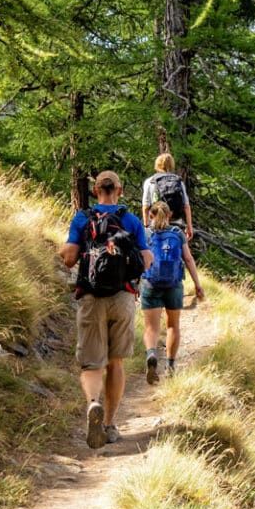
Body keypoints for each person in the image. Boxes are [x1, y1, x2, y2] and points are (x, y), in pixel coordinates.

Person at [59, 171, 153, 449]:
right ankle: (110, 424)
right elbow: (147, 260)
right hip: (123, 297)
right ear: (119, 190)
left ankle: (92, 404)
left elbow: (69, 258)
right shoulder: (131, 221)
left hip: (91, 296)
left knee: (91, 363)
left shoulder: (82, 219)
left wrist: (66, 251)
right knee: (116, 362)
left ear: (96, 190)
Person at [141, 201, 205, 382]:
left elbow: (139, 259)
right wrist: (197, 285)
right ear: (169, 215)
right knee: (172, 326)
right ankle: (170, 365)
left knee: (151, 327)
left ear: (151, 215)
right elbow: (188, 259)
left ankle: (151, 354)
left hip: (150, 283)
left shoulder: (145, 234)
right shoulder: (177, 234)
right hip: (174, 285)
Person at [141, 152, 194, 240]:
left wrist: (146, 225)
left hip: (155, 223)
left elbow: (145, 206)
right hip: (176, 222)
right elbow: (186, 206)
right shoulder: (179, 181)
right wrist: (189, 226)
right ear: (172, 164)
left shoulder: (150, 181)